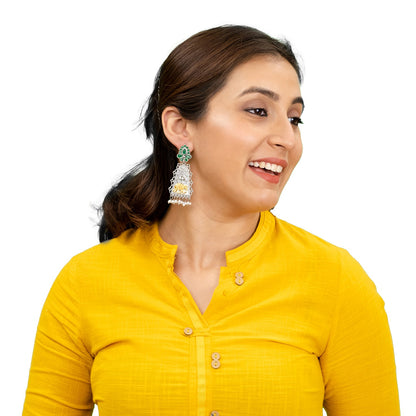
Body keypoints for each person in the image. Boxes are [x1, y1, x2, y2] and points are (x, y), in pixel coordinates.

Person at [22, 25, 400, 415]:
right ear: (180, 127)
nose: (287, 138)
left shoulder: (335, 280)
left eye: (294, 119)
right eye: (258, 111)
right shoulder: (85, 283)